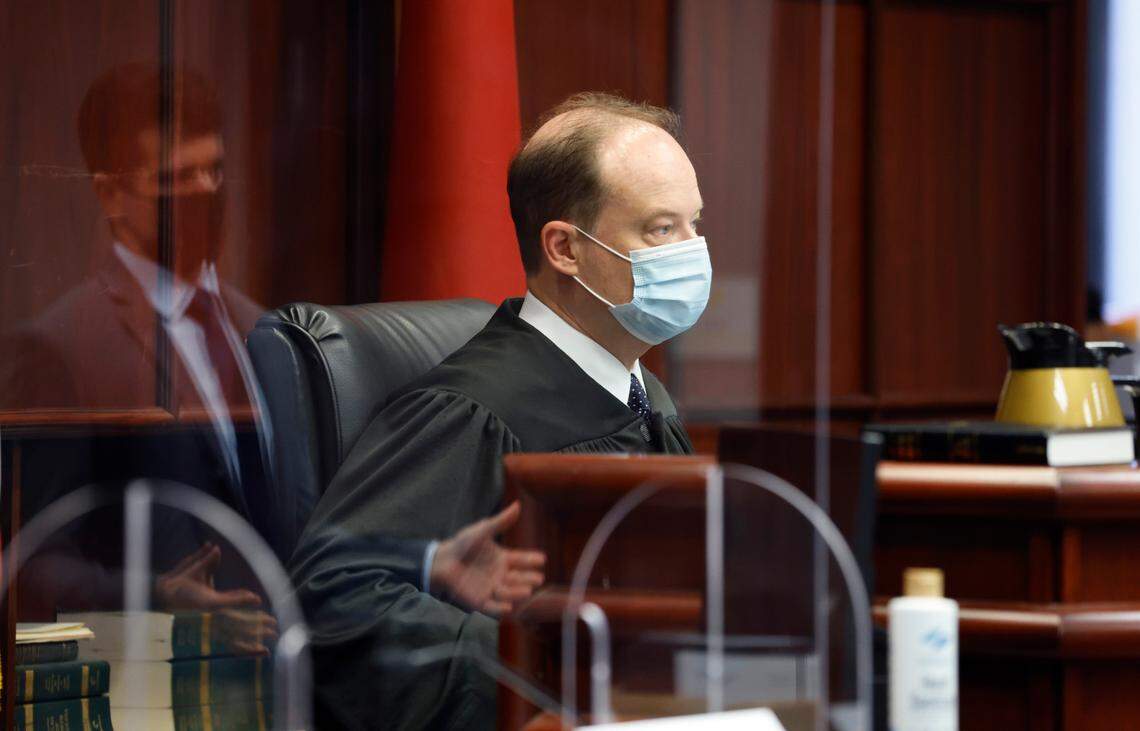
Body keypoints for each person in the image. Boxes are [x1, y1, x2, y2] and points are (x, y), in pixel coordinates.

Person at [289, 92, 711, 729]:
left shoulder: (644, 394)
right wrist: (536, 682)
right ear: (565, 249)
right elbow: (333, 591)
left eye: (694, 224)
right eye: (660, 229)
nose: (691, 250)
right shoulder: (470, 409)